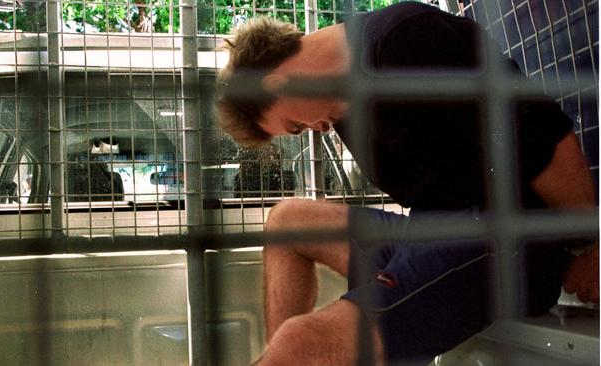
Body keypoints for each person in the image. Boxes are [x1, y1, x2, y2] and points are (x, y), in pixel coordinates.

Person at [216, 2, 598, 365]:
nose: (311, 131)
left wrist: (588, 244)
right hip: (432, 234)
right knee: (287, 221)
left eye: (295, 126)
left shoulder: (407, 39)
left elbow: (543, 134)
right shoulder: (345, 108)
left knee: (303, 342)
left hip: (506, 240)